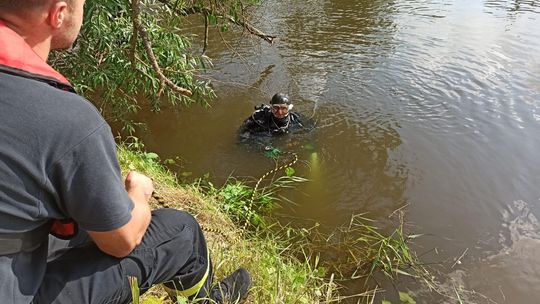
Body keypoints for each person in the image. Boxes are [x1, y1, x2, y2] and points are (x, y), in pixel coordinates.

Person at [0, 1, 251, 303]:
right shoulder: (68, 120)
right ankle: (206, 300)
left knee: (83, 227)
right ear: (59, 13)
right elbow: (122, 241)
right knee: (181, 231)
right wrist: (138, 195)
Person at [239, 93, 304, 137]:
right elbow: (242, 135)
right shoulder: (259, 119)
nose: (280, 112)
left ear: (289, 108)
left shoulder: (296, 118)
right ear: (271, 107)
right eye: (276, 108)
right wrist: (262, 147)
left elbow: (308, 131)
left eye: (284, 108)